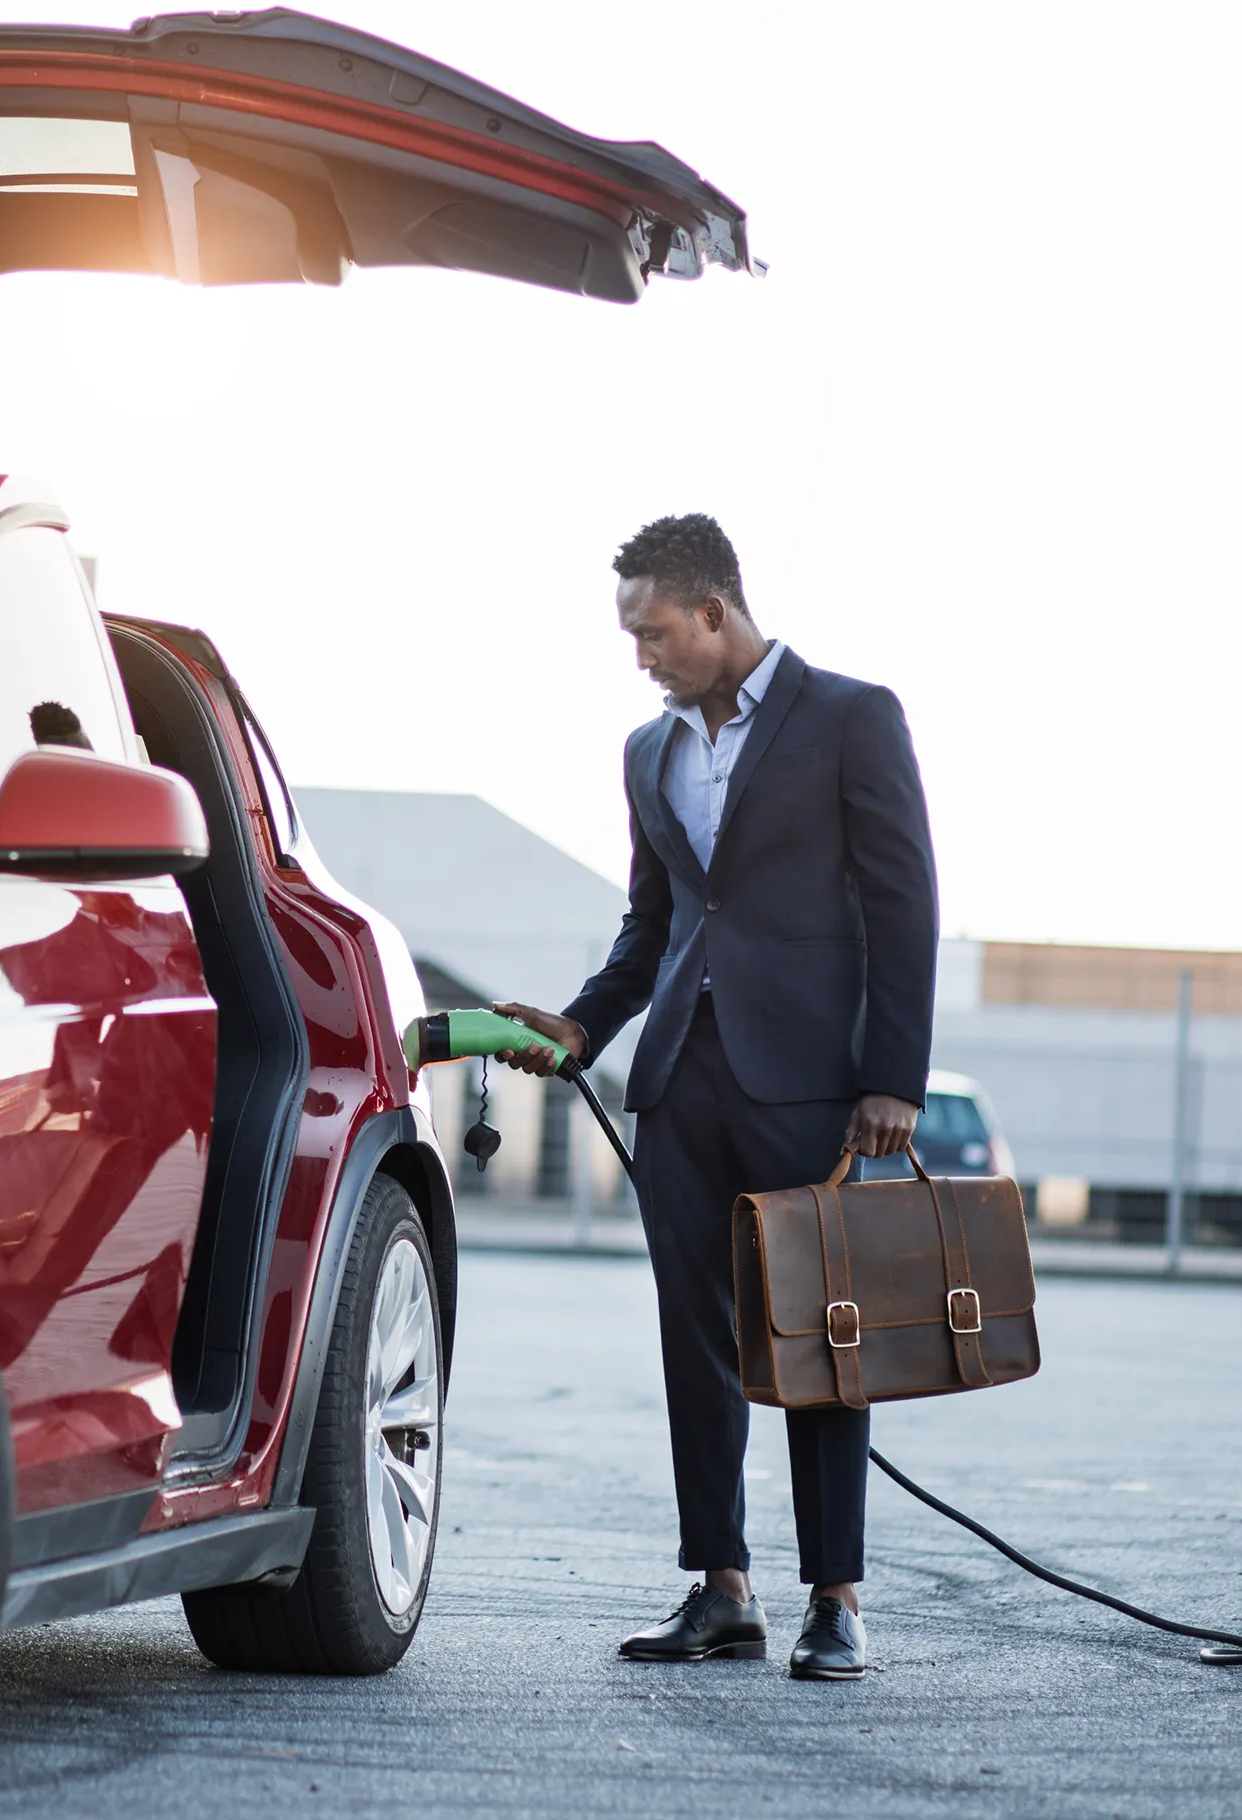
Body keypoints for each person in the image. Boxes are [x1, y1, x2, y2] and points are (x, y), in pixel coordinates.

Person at [492, 513, 936, 1682]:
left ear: (713, 611)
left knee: (823, 1340)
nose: (638, 654)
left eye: (650, 631)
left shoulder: (852, 716)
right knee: (694, 1340)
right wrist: (585, 1025)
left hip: (810, 1090)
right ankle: (720, 1585)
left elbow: (902, 903)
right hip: (679, 1083)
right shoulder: (648, 752)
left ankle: (834, 1598)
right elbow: (655, 924)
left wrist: (893, 1073)